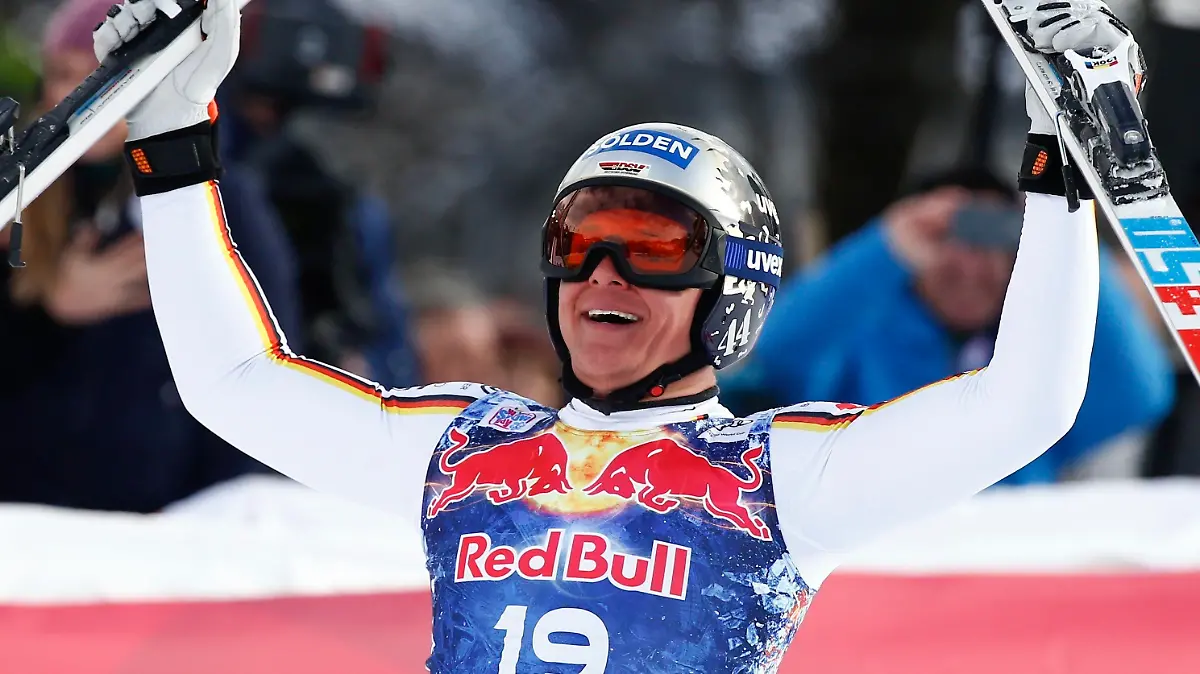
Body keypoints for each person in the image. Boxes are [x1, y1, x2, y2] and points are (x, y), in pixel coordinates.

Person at [96, 0, 1124, 668]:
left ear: (731, 290)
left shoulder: (778, 479)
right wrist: (172, 137)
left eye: (653, 246)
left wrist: (1062, 163)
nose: (603, 273)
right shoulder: (462, 451)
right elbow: (232, 379)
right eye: (577, 239)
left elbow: (1026, 404)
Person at [0, 0, 297, 513]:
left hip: (162, 519)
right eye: (60, 74)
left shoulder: (213, 192)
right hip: (28, 509)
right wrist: (47, 313)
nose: (68, 95)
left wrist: (221, 511)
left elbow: (265, 355)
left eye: (93, 77)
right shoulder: (20, 189)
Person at [719, 167, 1175, 485]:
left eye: (991, 240)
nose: (968, 266)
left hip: (1003, 573)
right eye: (944, 237)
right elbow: (777, 350)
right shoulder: (856, 344)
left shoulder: (1037, 364)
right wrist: (884, 248)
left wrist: (1063, 226)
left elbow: (1138, 394)